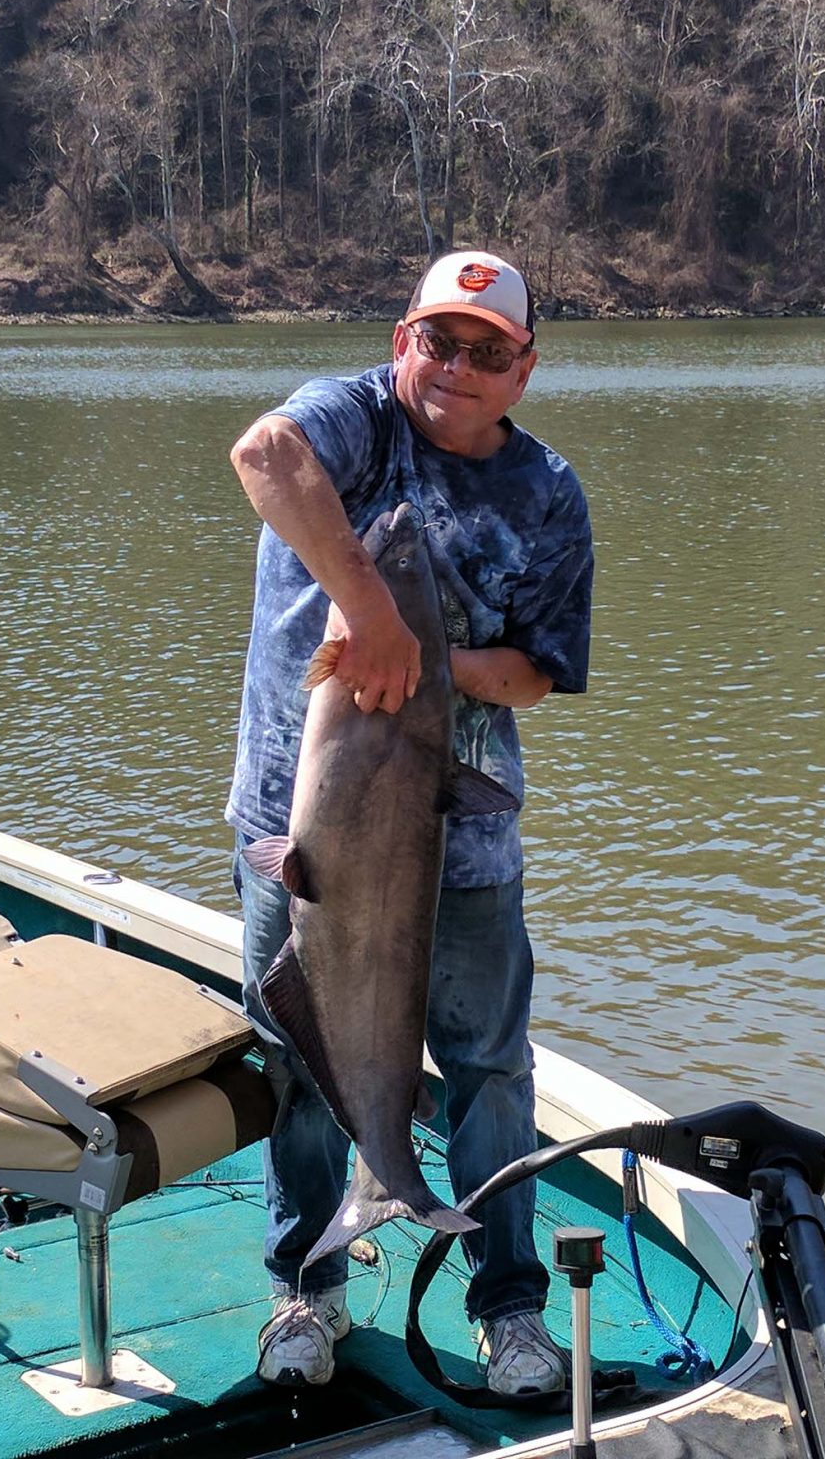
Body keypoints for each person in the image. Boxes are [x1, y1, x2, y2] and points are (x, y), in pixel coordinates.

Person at [226, 250, 593, 1395]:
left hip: (463, 839)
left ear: (525, 371)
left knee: (489, 1068)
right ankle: (307, 1287)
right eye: (442, 340)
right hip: (302, 845)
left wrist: (421, 662)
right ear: (403, 343)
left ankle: (509, 1307)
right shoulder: (351, 424)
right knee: (300, 1058)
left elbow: (539, 670)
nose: (460, 367)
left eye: (490, 351)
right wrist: (369, 611)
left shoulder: (548, 492)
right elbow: (262, 456)